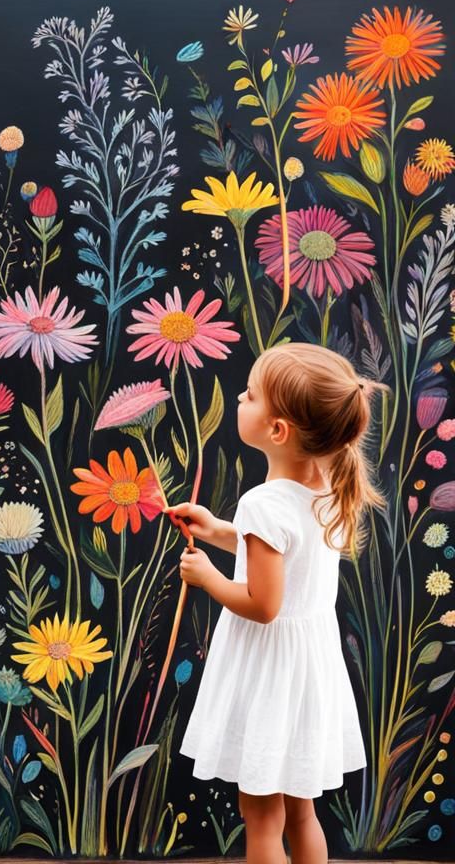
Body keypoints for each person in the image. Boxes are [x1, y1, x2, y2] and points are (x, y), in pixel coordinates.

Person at [167, 342, 385, 864]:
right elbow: (280, 554)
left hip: (268, 674)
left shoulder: (263, 503)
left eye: (249, 395)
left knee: (261, 816)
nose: (239, 399)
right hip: (307, 671)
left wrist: (207, 577)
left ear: (278, 430)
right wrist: (219, 530)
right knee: (302, 810)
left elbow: (263, 604)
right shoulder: (330, 487)